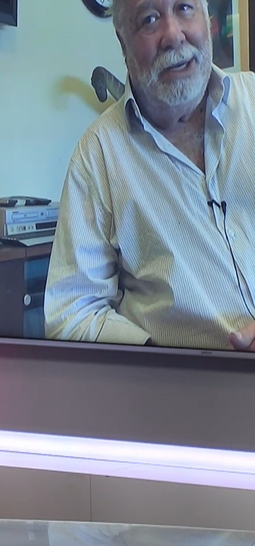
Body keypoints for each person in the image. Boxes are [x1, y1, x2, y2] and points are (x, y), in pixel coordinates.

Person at [45, 0, 255, 351]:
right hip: (183, 382)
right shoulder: (98, 156)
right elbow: (70, 316)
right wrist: (159, 361)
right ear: (123, 43)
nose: (173, 35)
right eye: (149, 19)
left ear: (207, 18)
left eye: (185, 8)